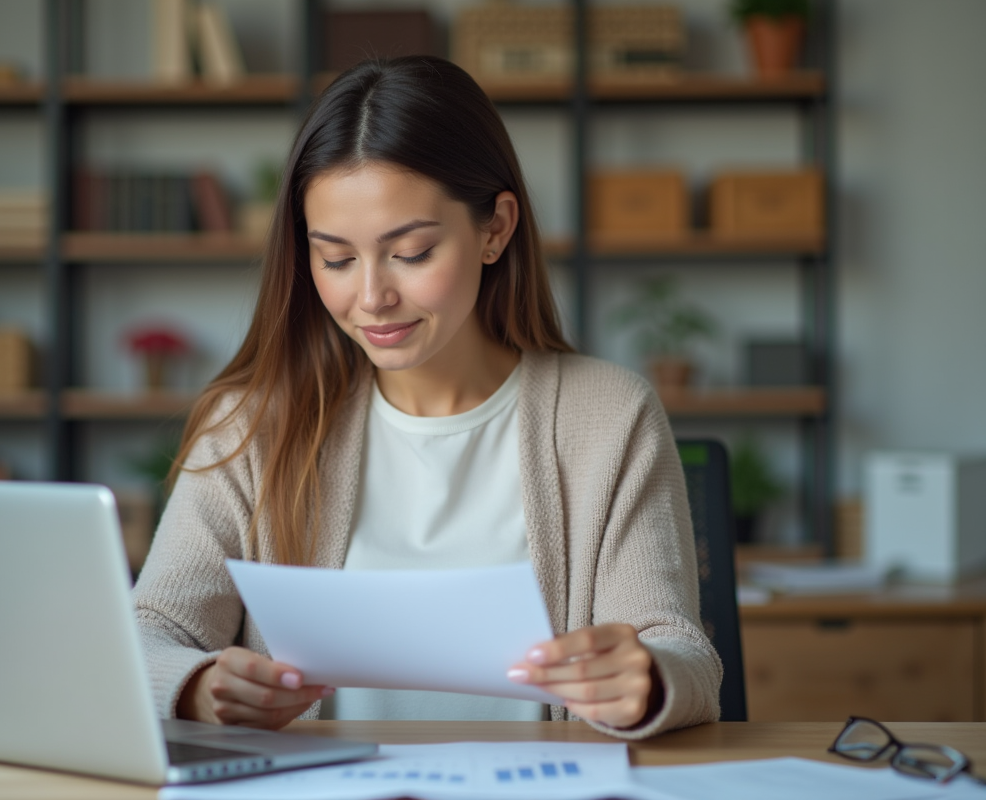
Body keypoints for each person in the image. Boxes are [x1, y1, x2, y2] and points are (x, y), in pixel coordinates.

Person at [133, 56, 721, 740]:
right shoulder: (254, 424)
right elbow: (148, 633)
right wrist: (196, 686)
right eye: (336, 259)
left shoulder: (607, 416)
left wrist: (646, 680)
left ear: (495, 228)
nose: (373, 296)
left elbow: (684, 654)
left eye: (410, 252)